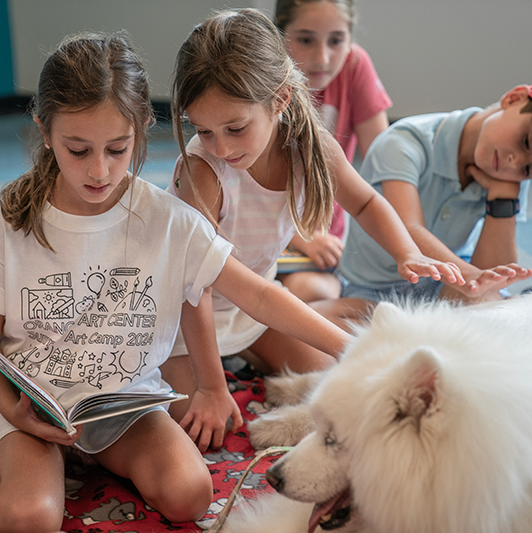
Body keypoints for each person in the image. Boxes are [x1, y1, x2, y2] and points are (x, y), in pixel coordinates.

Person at [0, 31, 360, 533]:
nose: (99, 170)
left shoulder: (169, 219)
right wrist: (14, 411)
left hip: (122, 400)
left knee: (190, 495)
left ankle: (94, 458)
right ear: (45, 131)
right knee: (30, 521)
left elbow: (259, 293)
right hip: (32, 407)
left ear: (140, 130)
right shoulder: (7, 227)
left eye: (117, 149)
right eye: (78, 150)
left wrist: (358, 347)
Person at [162, 8, 462, 431]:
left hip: (252, 311)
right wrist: (212, 386)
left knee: (333, 382)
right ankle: (213, 371)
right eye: (204, 130)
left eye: (235, 128)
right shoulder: (202, 172)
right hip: (183, 318)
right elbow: (198, 291)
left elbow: (366, 204)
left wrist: (406, 253)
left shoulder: (313, 147)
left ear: (280, 99)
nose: (221, 147)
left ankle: (244, 358)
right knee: (199, 425)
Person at [325, 82, 532, 325]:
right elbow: (410, 231)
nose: (515, 161)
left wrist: (503, 200)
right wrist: (470, 276)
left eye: (529, 169)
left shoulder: (510, 177)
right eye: (526, 142)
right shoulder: (405, 141)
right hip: (373, 289)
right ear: (514, 98)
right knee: (320, 335)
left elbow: (492, 272)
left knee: (495, 310)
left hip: (445, 287)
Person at [273, 0, 392, 302]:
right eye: (305, 40)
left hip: (323, 244)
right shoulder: (263, 74)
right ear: (279, 34)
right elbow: (237, 180)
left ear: (350, 38)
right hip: (259, 233)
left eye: (336, 41)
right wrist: (298, 236)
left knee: (315, 298)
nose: (322, 57)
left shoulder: (355, 65)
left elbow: (386, 161)